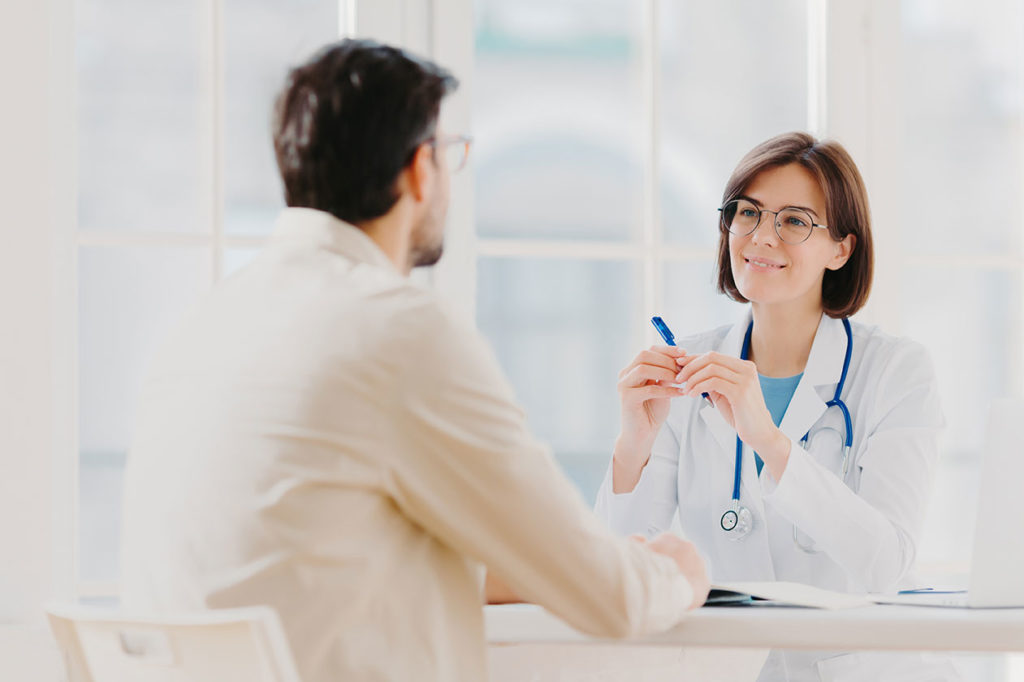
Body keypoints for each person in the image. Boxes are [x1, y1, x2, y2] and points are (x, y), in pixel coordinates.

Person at [119, 39, 709, 682]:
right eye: (449, 154)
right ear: (419, 169)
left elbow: (313, 548)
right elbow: (610, 597)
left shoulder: (205, 323)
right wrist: (678, 571)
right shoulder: (395, 329)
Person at [596, 132, 956, 681]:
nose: (762, 237)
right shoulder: (686, 367)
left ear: (842, 248)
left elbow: (886, 563)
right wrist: (633, 448)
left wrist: (769, 440)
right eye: (748, 213)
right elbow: (618, 573)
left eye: (794, 220)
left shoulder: (895, 372)